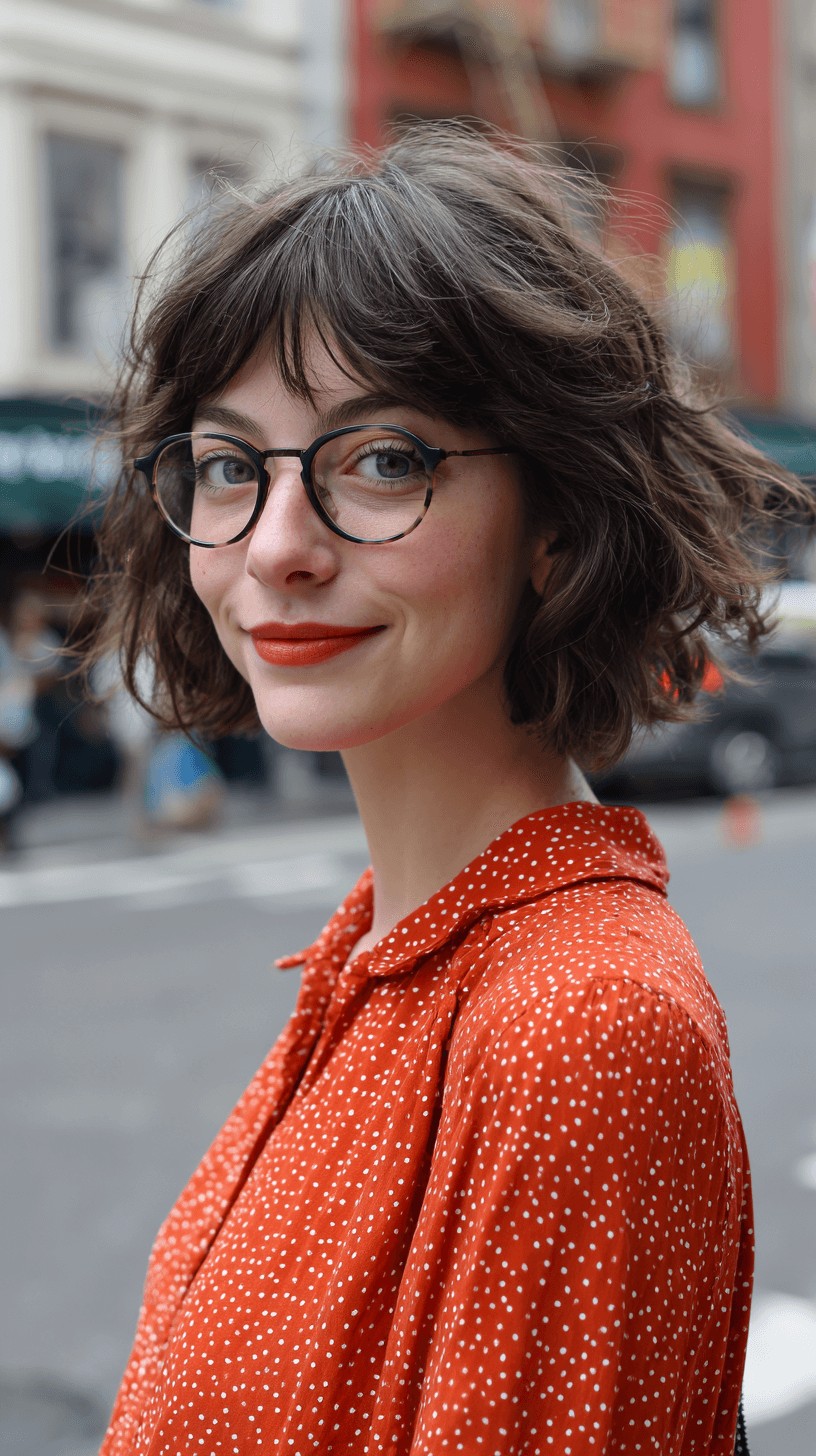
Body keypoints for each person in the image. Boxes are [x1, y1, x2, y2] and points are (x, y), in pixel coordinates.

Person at [73, 126, 814, 1455]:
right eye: (232, 465)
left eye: (383, 459)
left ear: (557, 524)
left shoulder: (576, 1025)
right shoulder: (391, 945)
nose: (278, 546)